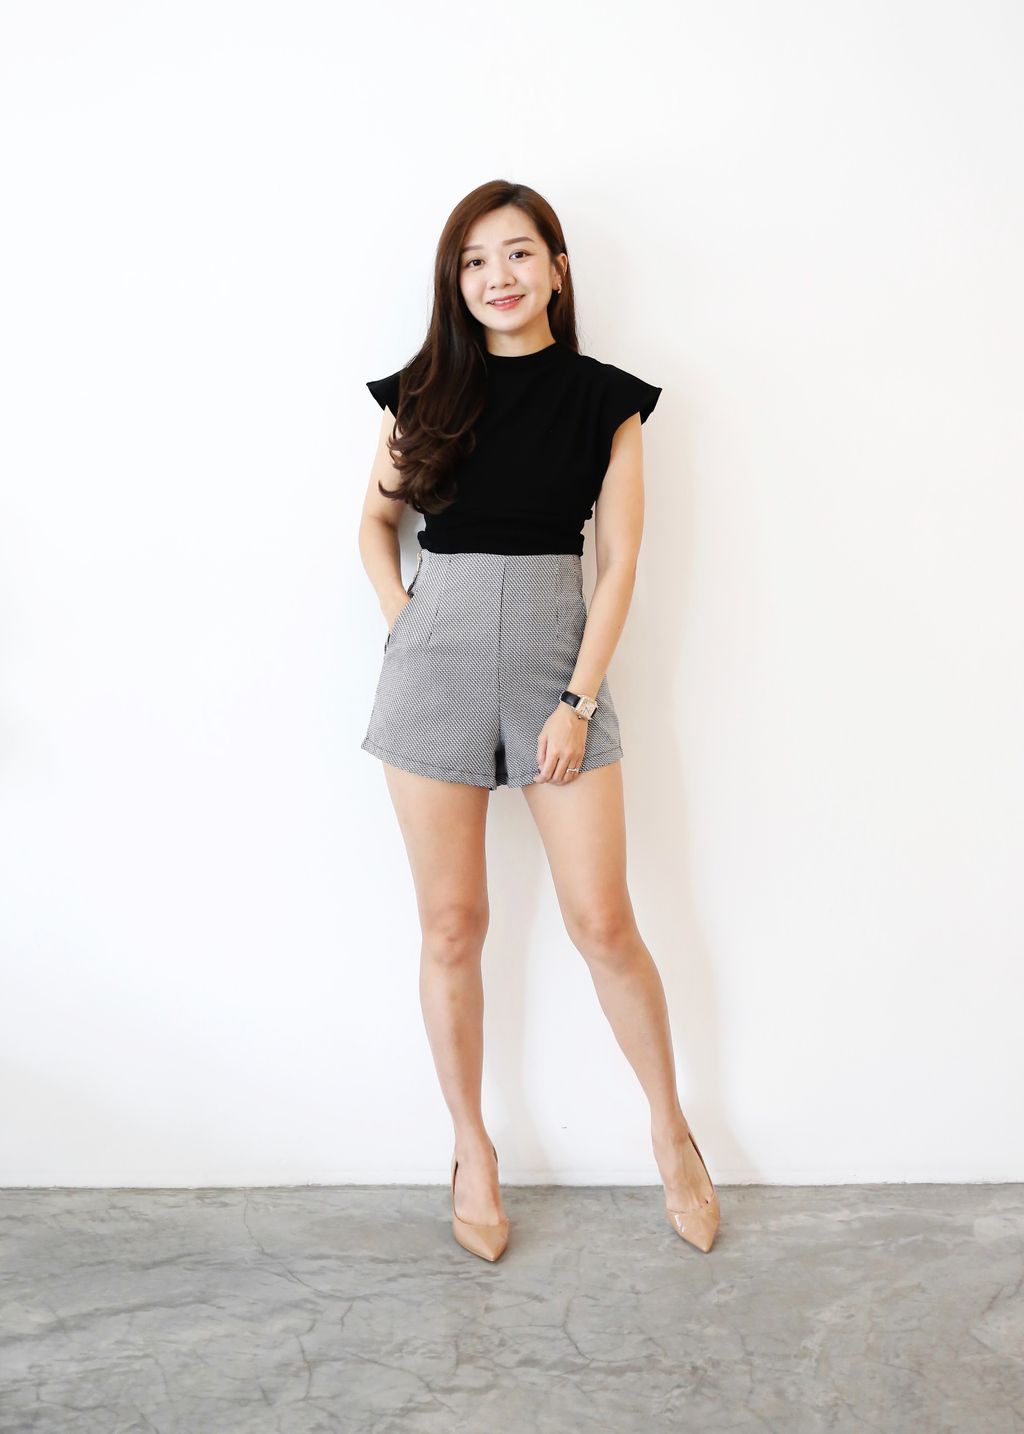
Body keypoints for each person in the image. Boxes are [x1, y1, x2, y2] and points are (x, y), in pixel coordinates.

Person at [357, 180, 719, 1260]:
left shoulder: (607, 401)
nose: (497, 277)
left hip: (560, 674)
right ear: (455, 283)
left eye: (517, 253)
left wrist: (577, 700)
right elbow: (374, 524)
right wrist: (408, 625)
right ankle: (471, 1148)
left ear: (557, 268)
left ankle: (672, 1133)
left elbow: (620, 563)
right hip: (434, 668)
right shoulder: (422, 394)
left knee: (603, 922)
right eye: (474, 262)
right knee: (451, 925)